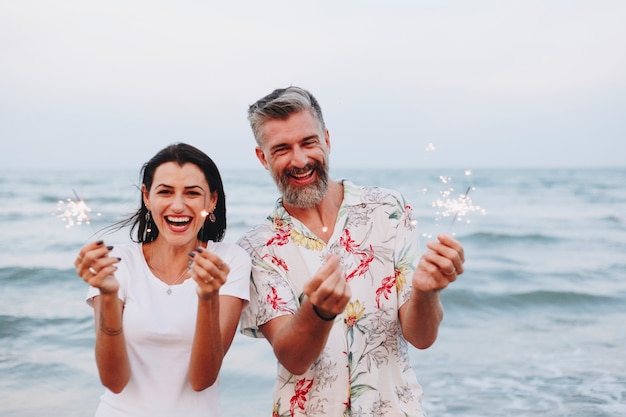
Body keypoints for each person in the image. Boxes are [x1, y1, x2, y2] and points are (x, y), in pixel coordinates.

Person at [237, 86, 465, 416]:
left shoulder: (388, 210)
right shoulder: (258, 248)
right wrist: (318, 312)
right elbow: (293, 358)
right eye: (282, 149)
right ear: (263, 158)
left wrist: (427, 291)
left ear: (327, 139)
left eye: (308, 142)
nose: (299, 160)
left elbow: (421, 337)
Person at [74, 143, 251, 417]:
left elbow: (202, 379)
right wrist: (108, 296)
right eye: (165, 192)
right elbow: (114, 381)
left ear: (212, 200)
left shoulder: (229, 260)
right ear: (147, 197)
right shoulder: (118, 263)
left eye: (192, 193)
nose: (178, 205)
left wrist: (207, 298)